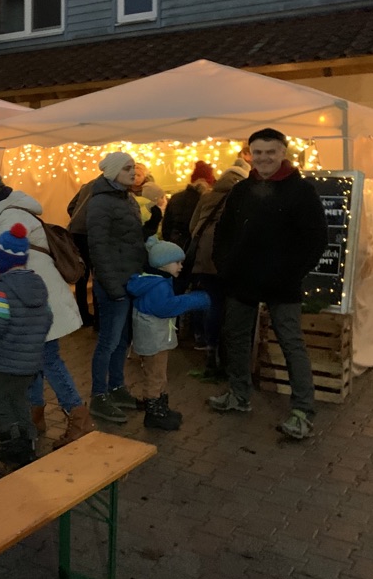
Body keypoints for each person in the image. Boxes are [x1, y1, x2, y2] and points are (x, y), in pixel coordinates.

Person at [0, 172, 94, 447]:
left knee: (48, 360)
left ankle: (78, 417)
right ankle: (36, 414)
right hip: (35, 298)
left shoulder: (8, 216)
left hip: (37, 302)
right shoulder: (8, 212)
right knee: (38, 361)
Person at [208, 128, 327, 440]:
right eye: (257, 152)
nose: (263, 158)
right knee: (235, 336)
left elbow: (316, 240)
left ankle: (302, 410)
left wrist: (291, 272)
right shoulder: (241, 191)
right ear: (250, 154)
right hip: (241, 279)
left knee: (291, 342)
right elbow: (223, 231)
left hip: (282, 282)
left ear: (283, 152)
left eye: (270, 152)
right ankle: (239, 394)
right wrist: (225, 265)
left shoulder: (301, 191)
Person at [0, 223, 50, 467]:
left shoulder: (1, 289)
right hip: (30, 364)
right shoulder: (38, 285)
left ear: (1, 261)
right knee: (19, 402)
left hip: (4, 361)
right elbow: (47, 318)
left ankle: (11, 444)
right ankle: (28, 443)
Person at [86, 152, 146, 424]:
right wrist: (113, 286)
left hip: (129, 280)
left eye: (133, 167)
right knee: (108, 342)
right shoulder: (101, 203)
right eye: (126, 168)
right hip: (114, 284)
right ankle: (99, 395)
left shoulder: (126, 199)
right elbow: (98, 248)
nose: (133, 172)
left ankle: (117, 388)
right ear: (112, 172)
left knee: (122, 341)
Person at [127, 237, 210, 430]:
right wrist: (195, 300)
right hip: (154, 339)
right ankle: (154, 413)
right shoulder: (158, 285)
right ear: (163, 264)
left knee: (158, 374)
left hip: (154, 337)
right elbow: (166, 308)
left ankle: (161, 408)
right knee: (155, 376)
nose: (181, 266)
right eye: (177, 262)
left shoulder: (153, 281)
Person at [187, 156, 250, 373]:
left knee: (213, 303)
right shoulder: (244, 197)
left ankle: (210, 347)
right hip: (230, 259)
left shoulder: (207, 196)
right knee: (232, 306)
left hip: (204, 258)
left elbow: (193, 226)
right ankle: (229, 356)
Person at [161, 161, 216, 249]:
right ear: (207, 181)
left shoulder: (176, 197)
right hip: (198, 248)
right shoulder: (207, 200)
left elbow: (166, 228)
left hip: (176, 245)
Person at [66, 176, 98, 328]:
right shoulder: (106, 187)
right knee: (97, 273)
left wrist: (77, 219)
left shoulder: (87, 184)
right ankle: (98, 317)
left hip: (76, 232)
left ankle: (83, 314)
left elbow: (70, 206)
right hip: (91, 233)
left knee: (82, 275)